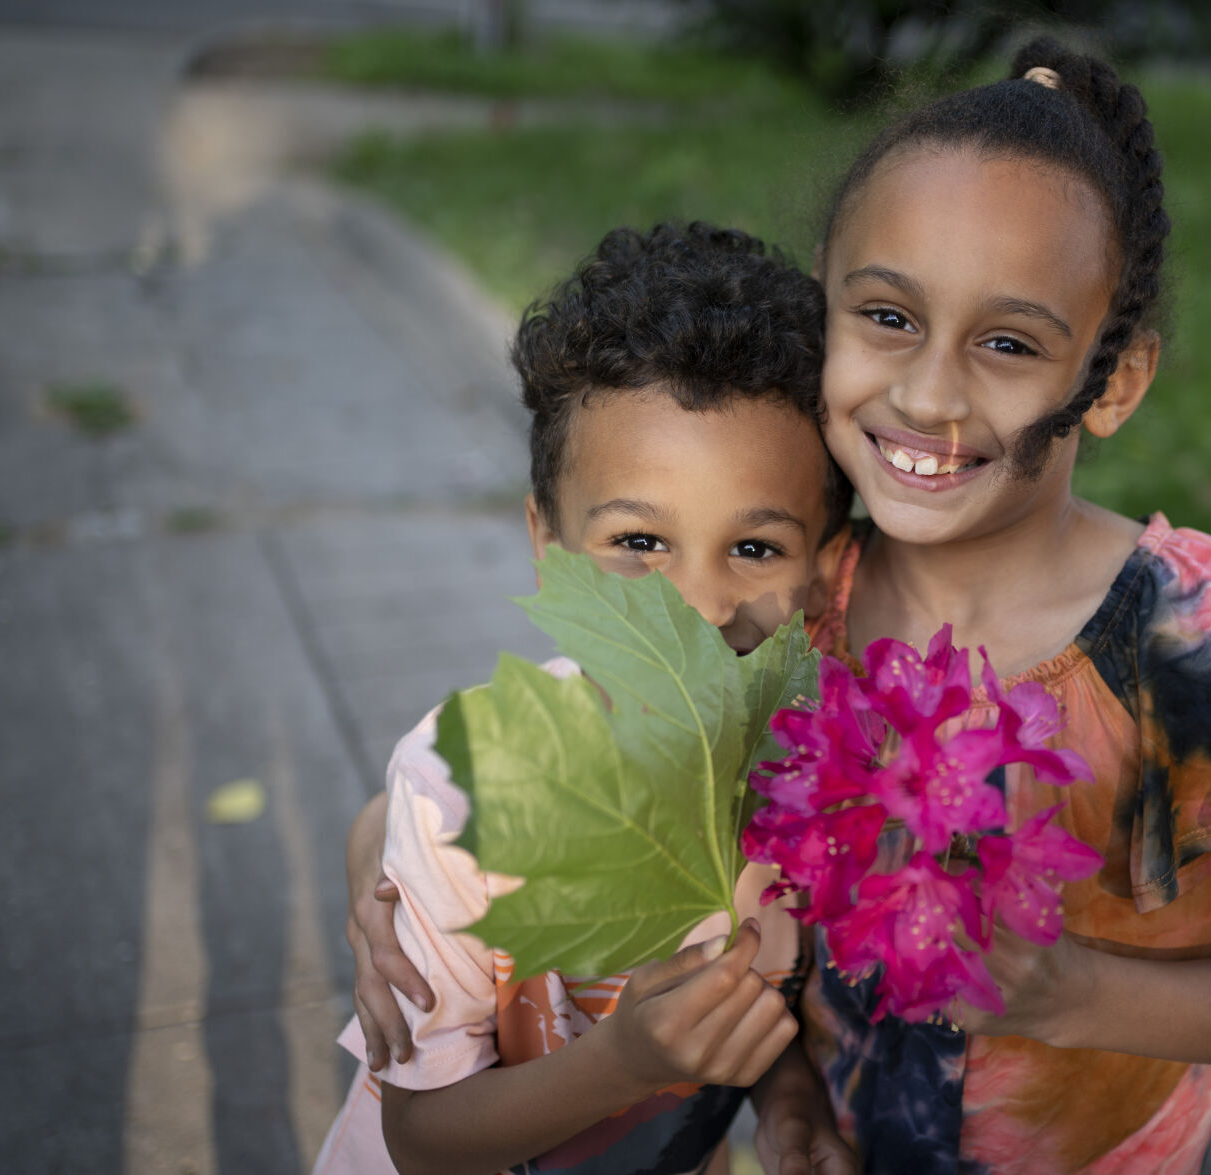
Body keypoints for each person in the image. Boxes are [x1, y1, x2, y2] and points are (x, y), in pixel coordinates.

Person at [355, 37, 1211, 1174]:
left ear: (1114, 378)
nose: (928, 394)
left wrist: (1070, 990)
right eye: (887, 316)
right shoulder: (789, 591)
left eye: (1007, 342)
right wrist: (379, 858)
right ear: (827, 304)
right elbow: (569, 756)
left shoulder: (1201, 642)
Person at [313, 222, 858, 1175]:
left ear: (823, 568)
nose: (698, 605)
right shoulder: (465, 797)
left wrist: (787, 1098)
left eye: (755, 547)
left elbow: (756, 995)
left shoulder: (811, 790)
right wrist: (622, 1063)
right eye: (639, 542)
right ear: (549, 544)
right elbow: (421, 1139)